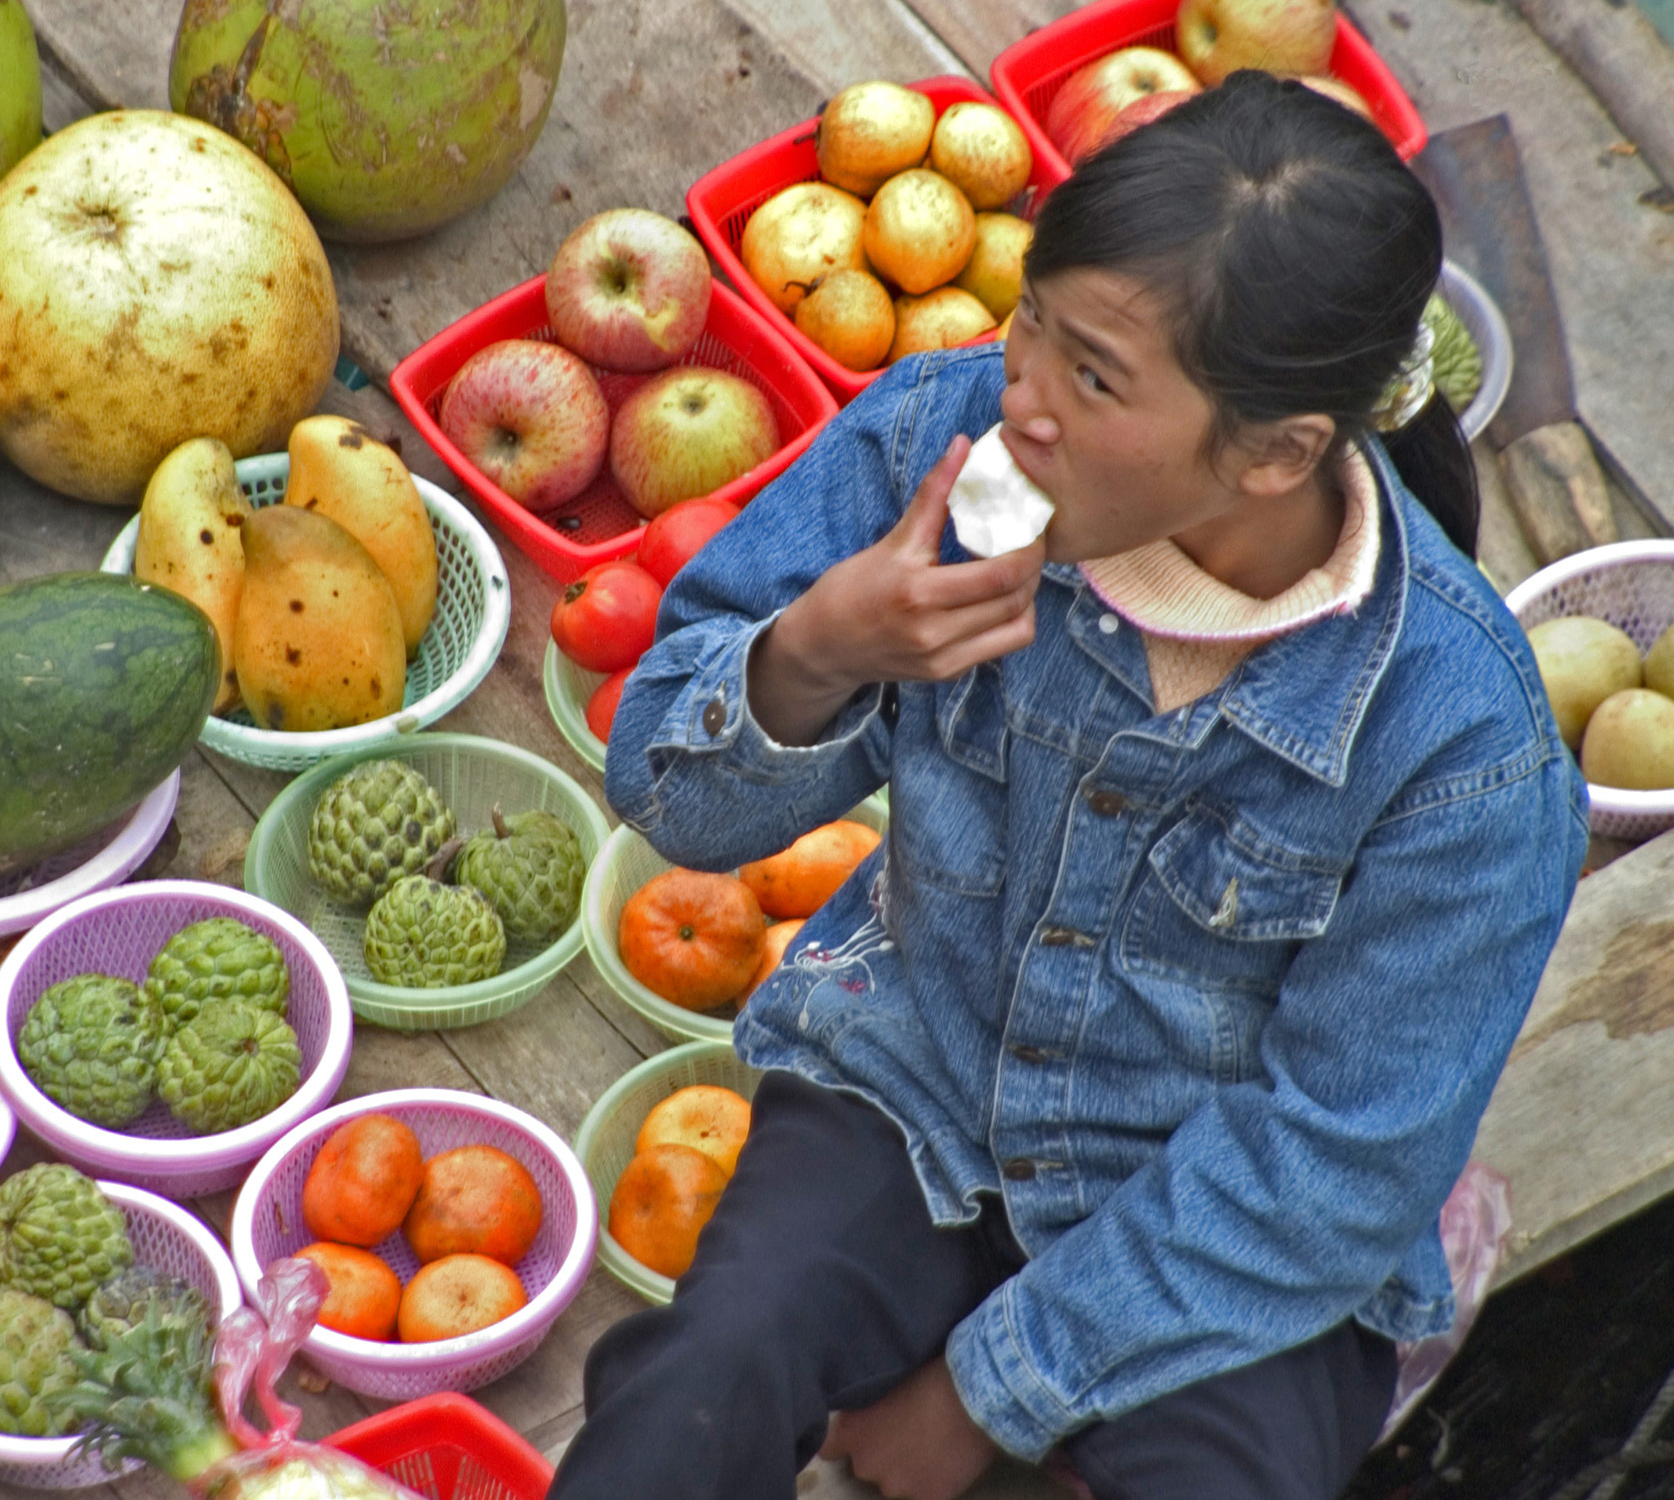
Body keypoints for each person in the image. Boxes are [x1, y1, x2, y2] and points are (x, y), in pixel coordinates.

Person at [552, 71, 1588, 1500]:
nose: (1019, 394)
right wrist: (816, 649)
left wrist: (982, 1395)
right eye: (1032, 313)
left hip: (1227, 1231)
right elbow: (676, 803)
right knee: (694, 1399)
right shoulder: (941, 442)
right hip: (913, 1089)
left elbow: (1329, 1172)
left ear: (1279, 450)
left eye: (1092, 374)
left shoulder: (1462, 752)